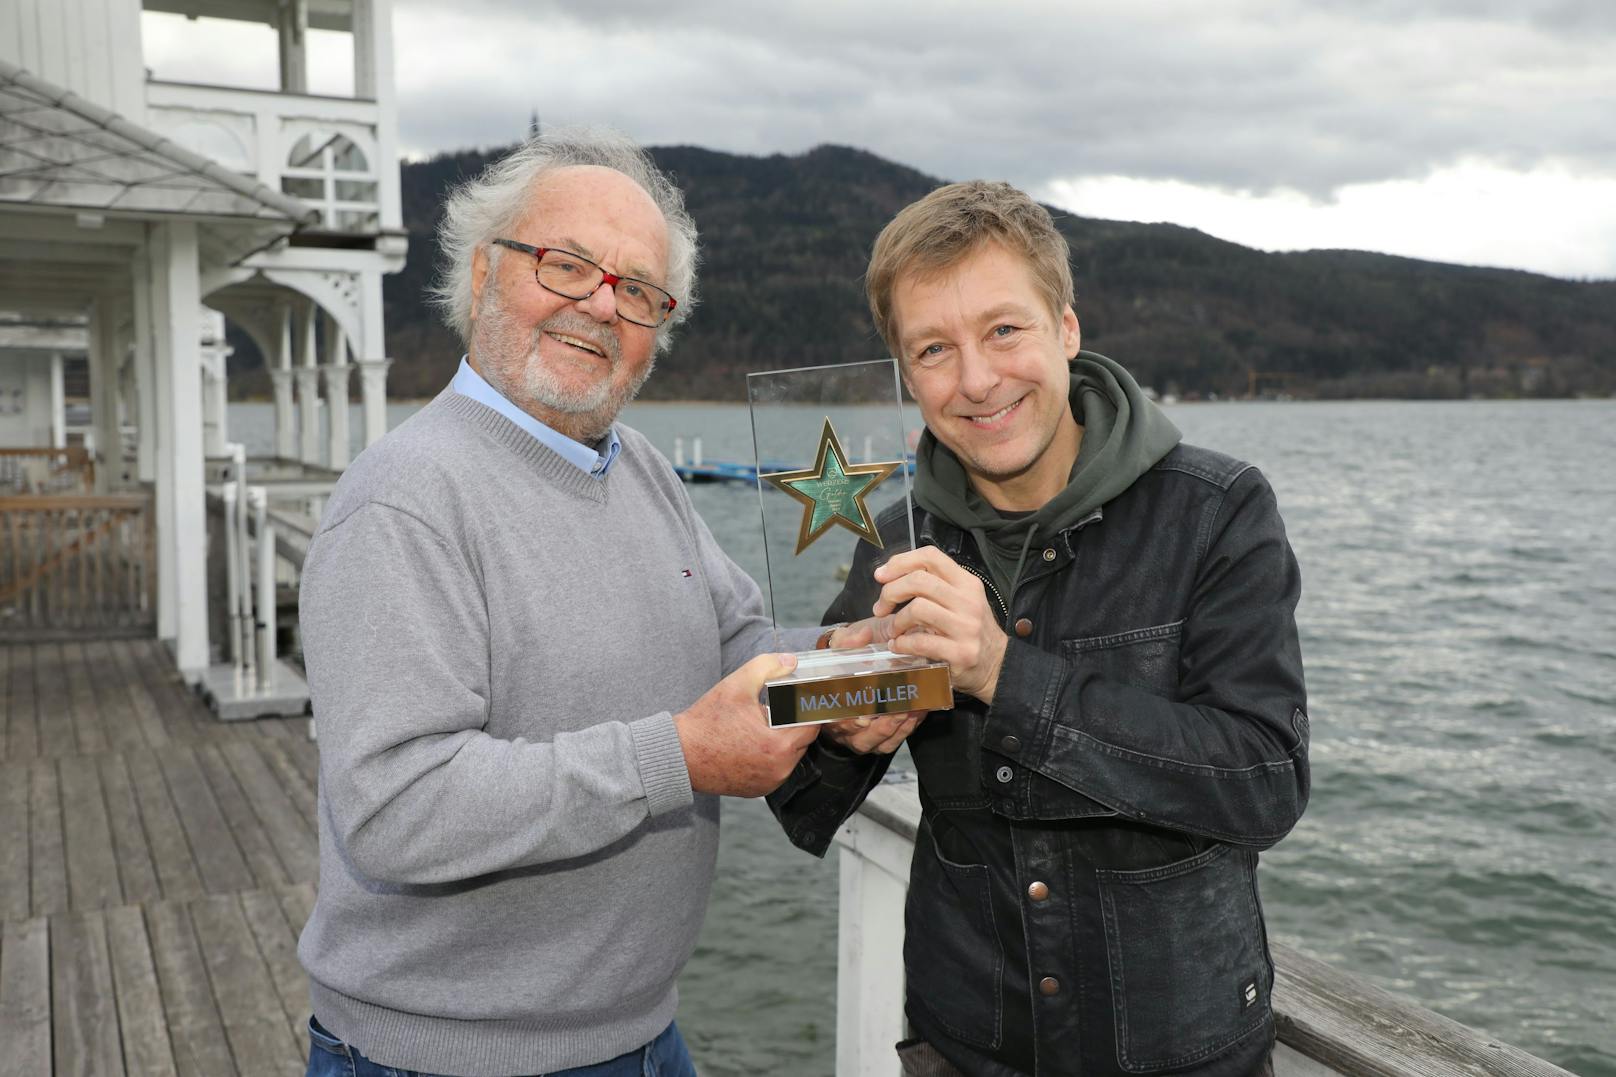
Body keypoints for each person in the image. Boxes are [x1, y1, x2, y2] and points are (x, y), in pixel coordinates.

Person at [295, 128, 884, 1077]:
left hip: (644, 1035)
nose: (601, 306)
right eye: (567, 265)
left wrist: (848, 660)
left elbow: (733, 640)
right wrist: (681, 755)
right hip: (447, 1060)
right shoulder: (402, 499)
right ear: (485, 272)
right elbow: (395, 809)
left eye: (640, 291)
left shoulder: (642, 468)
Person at [770, 181, 1310, 1077]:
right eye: (934, 349)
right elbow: (801, 805)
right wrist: (833, 716)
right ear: (907, 374)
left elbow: (1265, 780)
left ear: (1066, 329)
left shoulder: (1216, 511)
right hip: (968, 1043)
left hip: (1181, 1050)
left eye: (1003, 330)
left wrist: (1002, 672)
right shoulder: (895, 543)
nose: (977, 380)